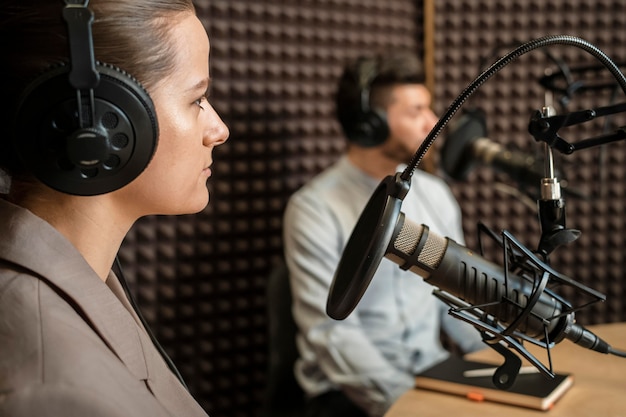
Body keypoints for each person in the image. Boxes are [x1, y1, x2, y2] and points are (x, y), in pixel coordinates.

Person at [0, 1, 229, 416]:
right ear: (99, 123)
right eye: (197, 100)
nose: (219, 130)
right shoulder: (53, 387)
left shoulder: (80, 276)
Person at [282, 51, 485, 417]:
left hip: (432, 376)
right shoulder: (313, 208)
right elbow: (332, 336)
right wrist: (409, 406)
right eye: (415, 111)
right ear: (369, 124)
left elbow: (459, 298)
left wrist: (492, 363)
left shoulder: (435, 194)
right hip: (349, 393)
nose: (432, 122)